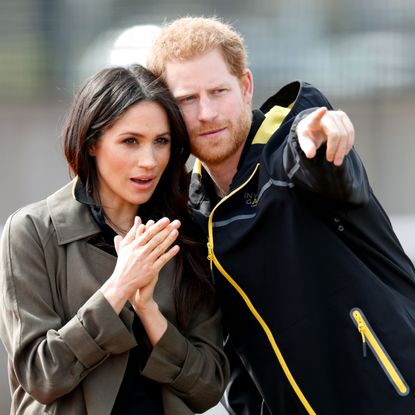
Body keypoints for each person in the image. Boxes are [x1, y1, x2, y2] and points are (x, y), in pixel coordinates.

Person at [147, 16, 415, 415]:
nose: (206, 113)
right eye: (187, 99)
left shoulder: (290, 156)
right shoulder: (191, 216)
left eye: (218, 91)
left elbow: (321, 164)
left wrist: (319, 140)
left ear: (245, 86)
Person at [0, 64, 230, 415]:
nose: (149, 161)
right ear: (92, 143)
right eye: (130, 141)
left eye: (161, 142)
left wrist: (149, 312)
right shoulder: (32, 231)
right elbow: (40, 375)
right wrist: (118, 288)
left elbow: (207, 389)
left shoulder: (187, 236)